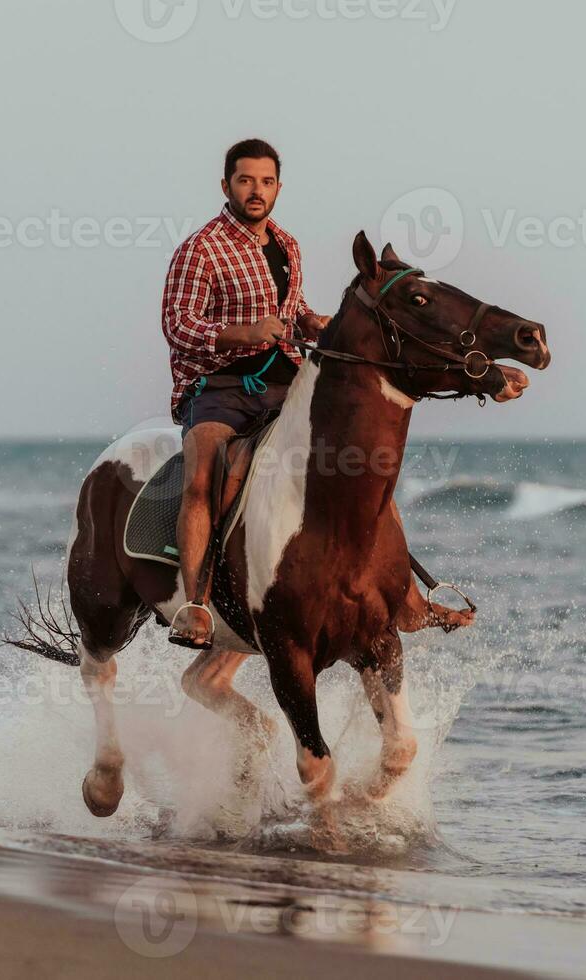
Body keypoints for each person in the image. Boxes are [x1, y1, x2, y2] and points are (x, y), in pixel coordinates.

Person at [160, 138, 330, 649]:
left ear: (278, 187)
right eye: (246, 180)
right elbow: (178, 326)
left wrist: (314, 323)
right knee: (204, 473)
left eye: (267, 181)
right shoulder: (200, 248)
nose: (257, 191)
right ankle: (195, 606)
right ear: (226, 185)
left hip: (284, 382)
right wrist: (243, 334)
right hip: (218, 388)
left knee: (349, 459)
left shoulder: (288, 245)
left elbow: (293, 308)